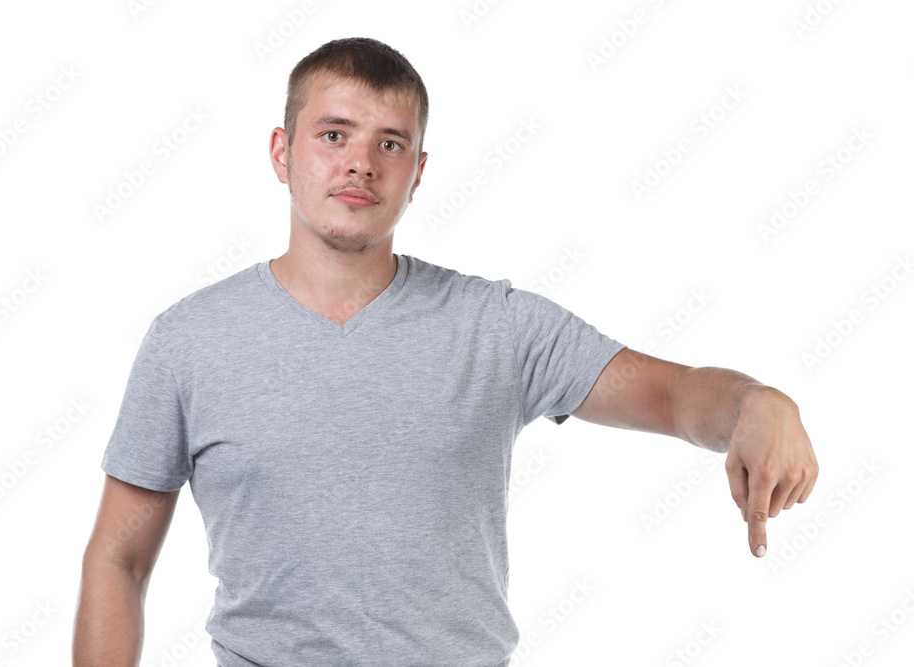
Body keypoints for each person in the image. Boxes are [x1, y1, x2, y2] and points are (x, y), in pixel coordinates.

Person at [72, 37, 818, 667]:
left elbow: (675, 396)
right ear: (281, 152)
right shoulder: (189, 340)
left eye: (389, 143)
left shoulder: (498, 327)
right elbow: (117, 560)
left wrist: (757, 403)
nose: (361, 163)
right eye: (333, 135)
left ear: (418, 172)